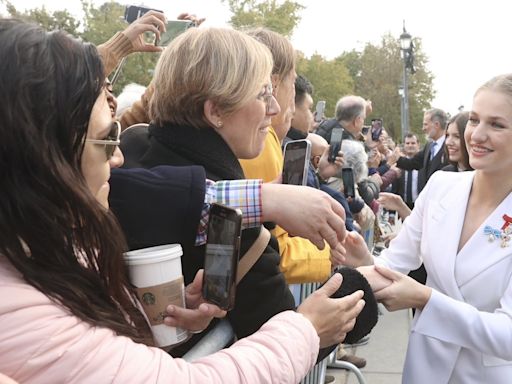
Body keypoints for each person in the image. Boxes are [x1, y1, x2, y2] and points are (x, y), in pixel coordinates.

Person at [0, 19, 365, 383]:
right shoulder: (19, 308)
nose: (118, 158)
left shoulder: (42, 244)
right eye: (108, 136)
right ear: (45, 157)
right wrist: (310, 328)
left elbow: (94, 341)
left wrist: (155, 318)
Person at [119, 26, 372, 358]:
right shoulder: (232, 225)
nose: (275, 109)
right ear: (215, 112)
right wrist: (358, 287)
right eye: (262, 94)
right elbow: (284, 352)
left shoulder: (129, 148)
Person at [345, 73, 512, 383]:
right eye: (474, 120)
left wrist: (426, 300)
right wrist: (362, 263)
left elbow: (507, 336)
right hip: (424, 369)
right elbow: (395, 262)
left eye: (497, 124)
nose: (476, 135)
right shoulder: (441, 186)